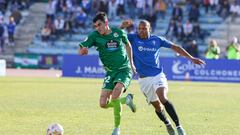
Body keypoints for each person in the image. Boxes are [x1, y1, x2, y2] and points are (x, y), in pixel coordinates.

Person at [121, 20, 205, 135]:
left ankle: (179, 127)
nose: (141, 31)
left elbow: (175, 47)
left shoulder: (157, 40)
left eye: (144, 28)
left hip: (157, 75)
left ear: (149, 29)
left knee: (162, 97)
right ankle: (167, 123)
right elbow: (117, 36)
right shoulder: (133, 38)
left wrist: (191, 58)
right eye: (139, 28)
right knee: (158, 107)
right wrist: (122, 27)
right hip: (144, 80)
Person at [78, 12, 136, 135]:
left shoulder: (119, 32)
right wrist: (82, 51)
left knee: (115, 96)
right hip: (110, 72)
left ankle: (117, 128)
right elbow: (81, 48)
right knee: (103, 104)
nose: (97, 28)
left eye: (99, 25)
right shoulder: (94, 36)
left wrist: (132, 64)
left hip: (124, 69)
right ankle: (126, 100)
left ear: (106, 23)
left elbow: (128, 45)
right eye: (95, 26)